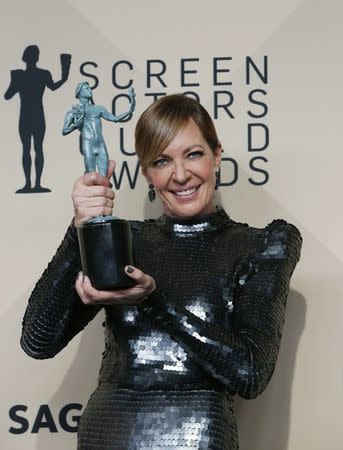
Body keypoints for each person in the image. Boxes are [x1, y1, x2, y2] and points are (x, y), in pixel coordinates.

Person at [21, 94, 302, 449]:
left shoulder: (263, 246)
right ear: (146, 172)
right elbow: (38, 341)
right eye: (162, 160)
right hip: (109, 434)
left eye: (194, 154)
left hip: (199, 438)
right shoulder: (125, 242)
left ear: (217, 155)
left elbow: (250, 373)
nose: (180, 174)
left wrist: (154, 301)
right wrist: (81, 229)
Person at [4, 45, 71, 193]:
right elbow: (54, 86)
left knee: (29, 149)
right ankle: (33, 184)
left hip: (28, 115)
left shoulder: (21, 75)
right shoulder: (40, 74)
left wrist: (15, 81)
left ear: (25, 57)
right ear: (37, 57)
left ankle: (31, 184)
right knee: (35, 149)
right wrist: (65, 73)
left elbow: (8, 95)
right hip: (36, 116)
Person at [62, 81, 135, 176]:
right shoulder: (74, 112)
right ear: (79, 93)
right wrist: (76, 125)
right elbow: (64, 130)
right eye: (86, 89)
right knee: (91, 178)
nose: (90, 90)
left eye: (90, 88)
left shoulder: (98, 108)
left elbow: (115, 119)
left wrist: (130, 111)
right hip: (88, 145)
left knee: (104, 179)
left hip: (100, 145)